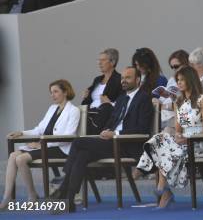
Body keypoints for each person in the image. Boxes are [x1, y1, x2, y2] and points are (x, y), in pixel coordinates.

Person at [50, 67, 153, 213]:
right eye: (123, 77)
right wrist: (106, 131)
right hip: (111, 143)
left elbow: (142, 129)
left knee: (79, 142)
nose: (123, 80)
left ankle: (63, 189)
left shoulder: (144, 98)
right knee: (82, 155)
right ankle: (69, 200)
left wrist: (116, 133)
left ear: (138, 80)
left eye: (128, 78)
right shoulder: (122, 98)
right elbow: (111, 121)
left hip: (128, 144)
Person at [136, 66, 203, 209]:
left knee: (164, 148)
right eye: (178, 80)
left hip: (199, 142)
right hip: (183, 141)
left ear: (190, 80)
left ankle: (162, 188)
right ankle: (163, 190)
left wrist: (186, 138)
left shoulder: (202, 99)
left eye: (182, 80)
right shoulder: (178, 102)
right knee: (159, 139)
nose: (179, 83)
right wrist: (178, 135)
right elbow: (178, 130)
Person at [2, 80, 79, 209]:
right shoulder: (52, 108)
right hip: (45, 146)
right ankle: (7, 197)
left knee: (21, 159)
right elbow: (39, 129)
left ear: (65, 92)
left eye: (56, 92)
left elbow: (69, 136)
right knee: (13, 156)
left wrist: (42, 145)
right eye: (51, 92)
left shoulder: (74, 110)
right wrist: (21, 132)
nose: (52, 95)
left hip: (60, 148)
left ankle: (32, 195)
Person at [82, 48, 122, 134]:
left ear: (113, 62)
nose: (99, 63)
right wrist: (85, 97)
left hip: (104, 117)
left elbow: (123, 102)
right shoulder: (97, 79)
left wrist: (109, 104)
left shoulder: (119, 80)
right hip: (90, 114)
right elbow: (87, 101)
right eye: (98, 60)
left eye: (103, 60)